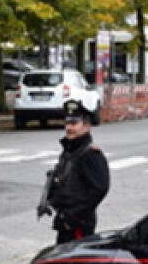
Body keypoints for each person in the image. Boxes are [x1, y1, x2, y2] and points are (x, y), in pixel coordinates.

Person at [44, 100, 110, 244]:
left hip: (78, 224)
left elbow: (99, 189)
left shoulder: (90, 154)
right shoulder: (70, 150)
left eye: (74, 124)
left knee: (74, 263)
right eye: (67, 123)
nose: (68, 128)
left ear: (86, 126)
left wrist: (74, 218)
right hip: (65, 221)